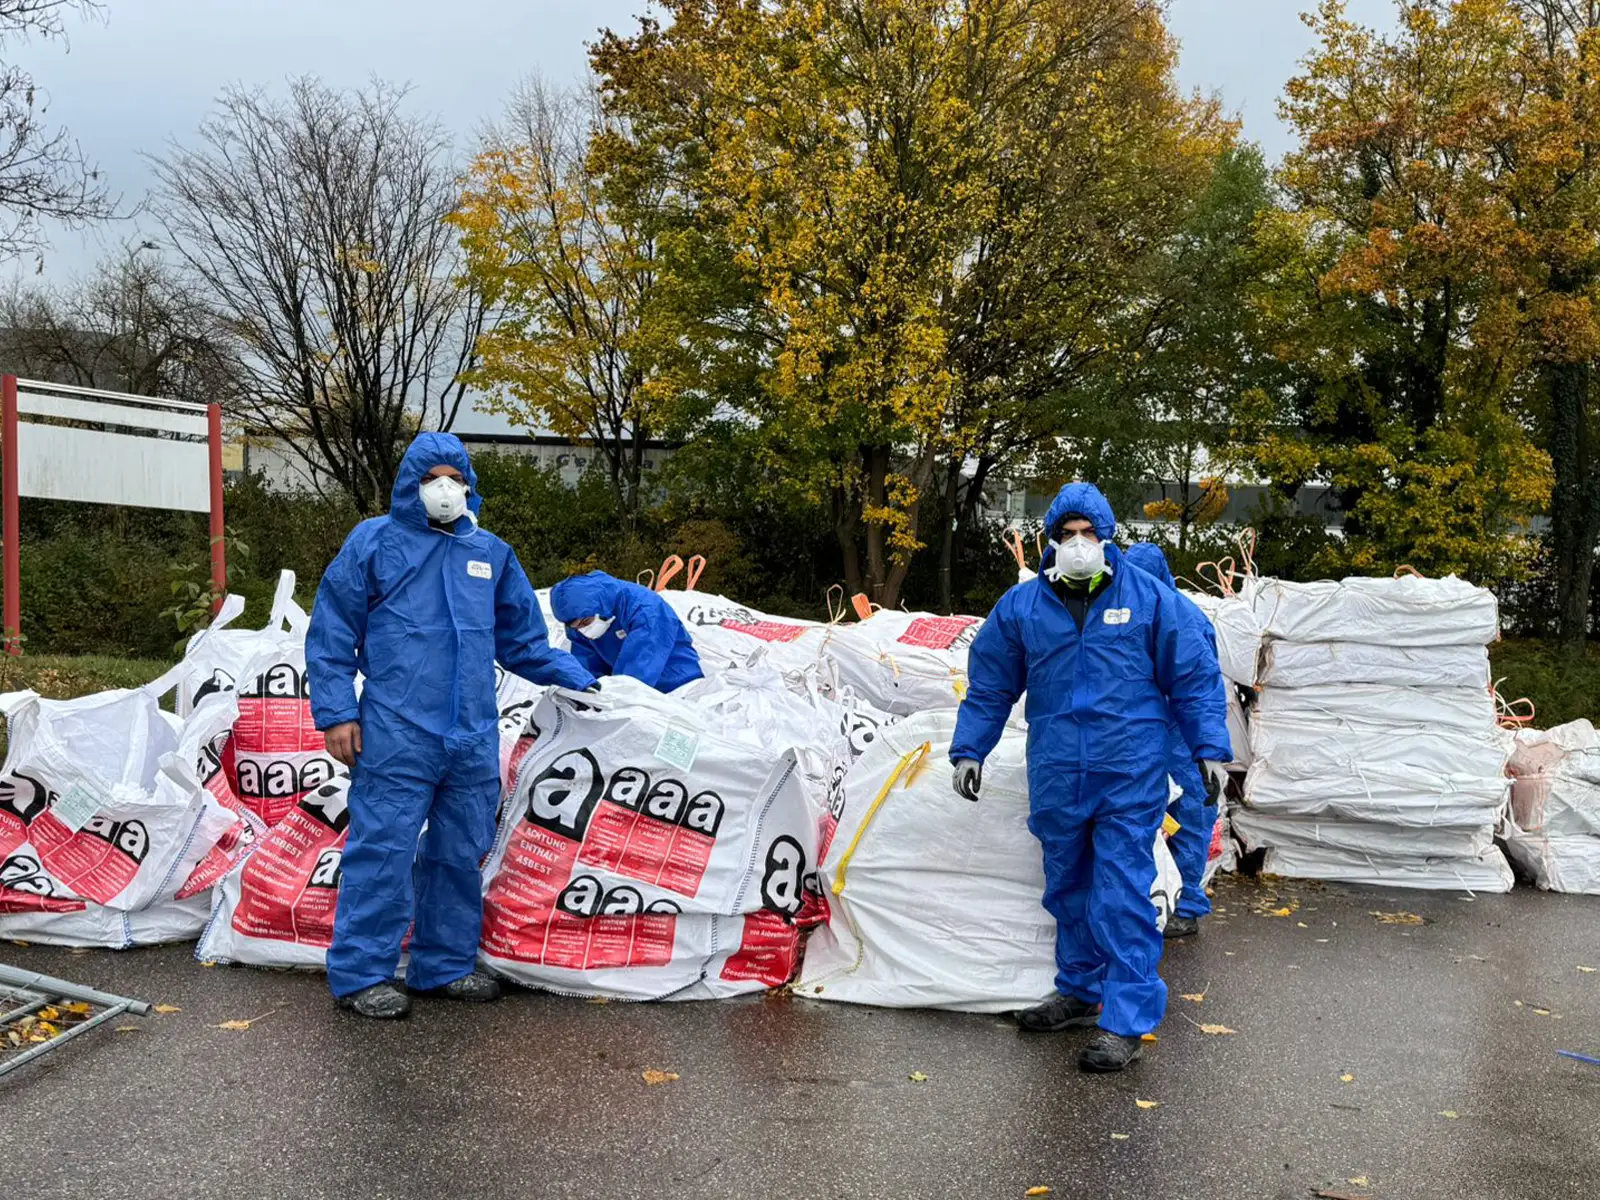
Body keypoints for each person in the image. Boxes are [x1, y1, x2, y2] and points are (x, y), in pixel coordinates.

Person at [306, 432, 598, 1020]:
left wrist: (586, 682)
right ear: (409, 484)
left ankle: (443, 965)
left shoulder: (491, 553)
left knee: (459, 853)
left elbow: (523, 642)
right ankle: (361, 974)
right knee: (382, 850)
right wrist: (336, 713)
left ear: (469, 486)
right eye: (431, 477)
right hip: (396, 731)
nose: (444, 488)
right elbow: (333, 628)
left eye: (455, 478)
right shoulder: (375, 542)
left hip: (470, 735)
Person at [949, 482, 1231, 1072]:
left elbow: (1194, 677)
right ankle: (1080, 990)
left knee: (1122, 893)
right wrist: (970, 748)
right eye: (1067, 534)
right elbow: (992, 682)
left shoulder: (1150, 600)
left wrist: (1209, 748)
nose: (1078, 543)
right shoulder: (1024, 607)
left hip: (1128, 771)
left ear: (1107, 537)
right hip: (1057, 771)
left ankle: (1126, 1018)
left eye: (1088, 533)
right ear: (1051, 540)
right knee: (1067, 887)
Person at [1121, 541, 1230, 940]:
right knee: (1138, 815)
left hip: (1179, 733)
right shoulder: (1122, 614)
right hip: (1141, 730)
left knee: (1188, 816)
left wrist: (1209, 748)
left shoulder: (1185, 618)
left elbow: (1202, 687)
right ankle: (1149, 896)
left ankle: (1185, 903)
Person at [551, 570, 705, 693]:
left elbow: (640, 667)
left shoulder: (646, 611)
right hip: (626, 685)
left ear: (601, 606)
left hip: (678, 684)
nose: (584, 630)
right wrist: (587, 689)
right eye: (576, 627)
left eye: (586, 622)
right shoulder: (579, 619)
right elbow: (586, 662)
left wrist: (614, 695)